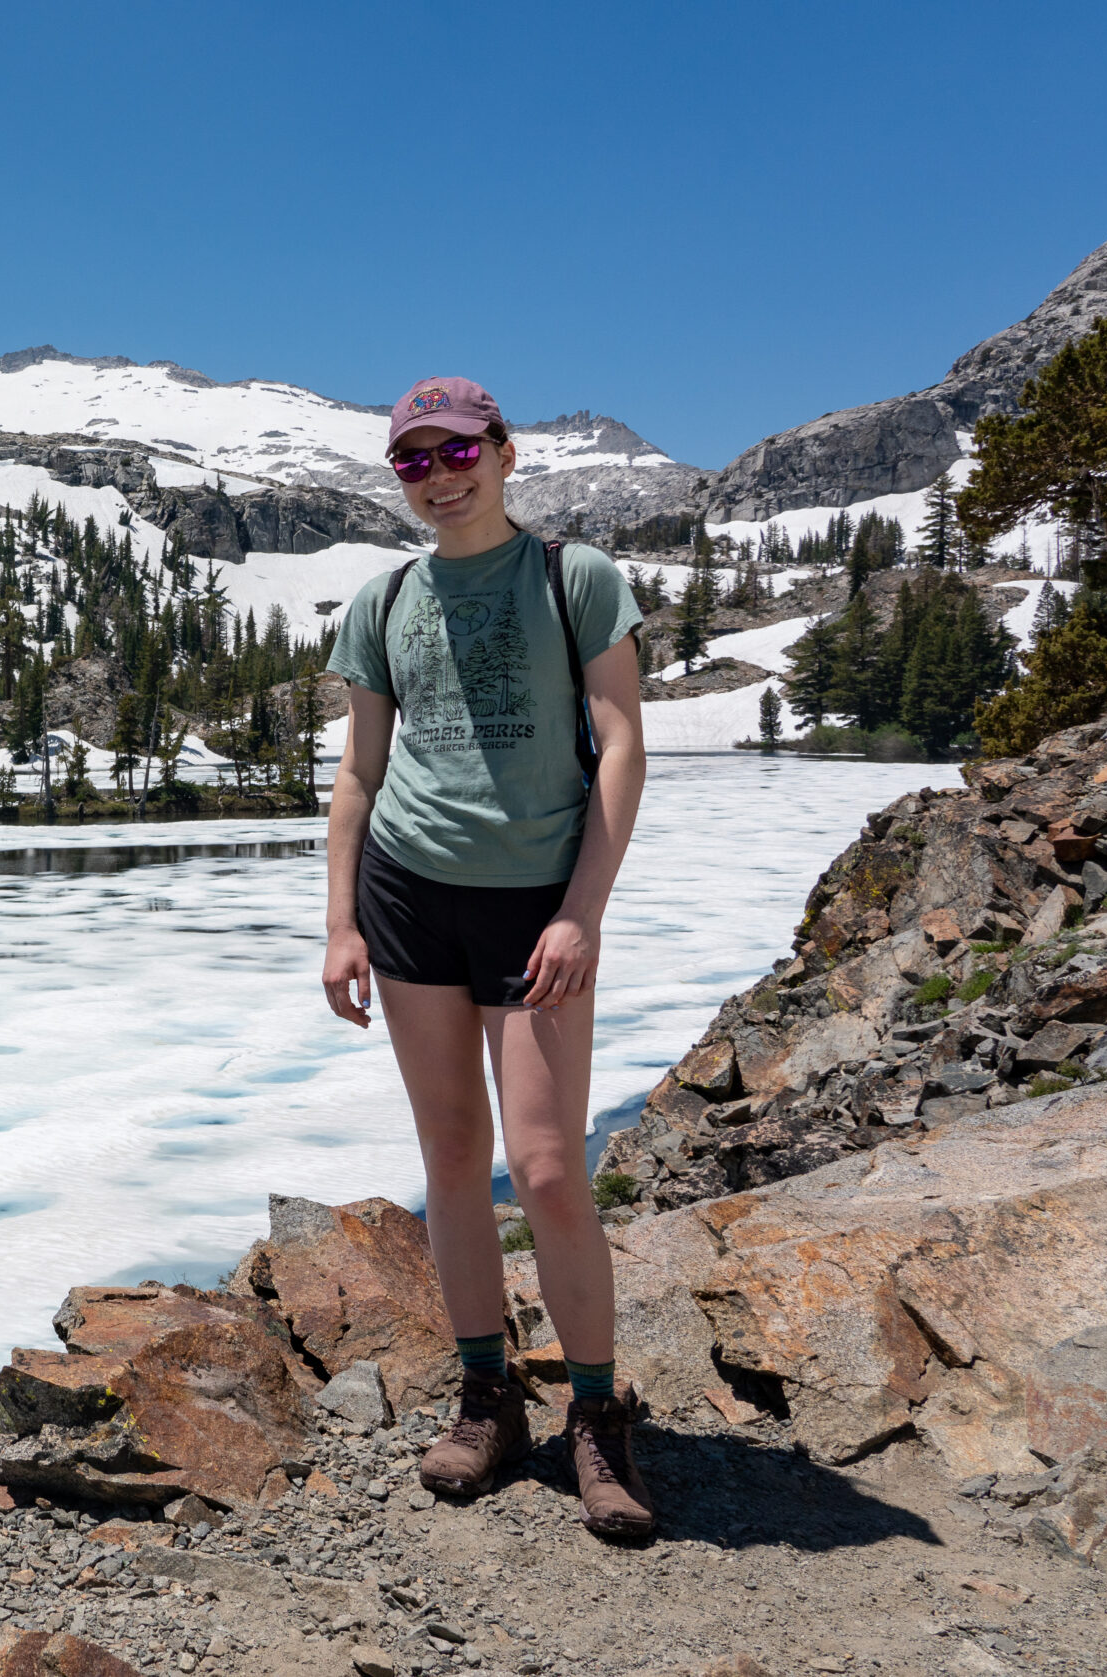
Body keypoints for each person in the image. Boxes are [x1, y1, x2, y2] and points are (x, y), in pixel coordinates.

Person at [318, 376, 655, 1541]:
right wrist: (341, 921)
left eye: (456, 449)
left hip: (535, 903)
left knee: (551, 1165)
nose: (437, 473)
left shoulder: (575, 578)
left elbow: (619, 745)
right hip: (410, 895)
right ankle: (487, 1396)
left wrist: (580, 911)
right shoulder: (384, 599)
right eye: (412, 459)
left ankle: (601, 1417)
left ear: (503, 451)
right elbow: (358, 774)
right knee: (453, 1153)